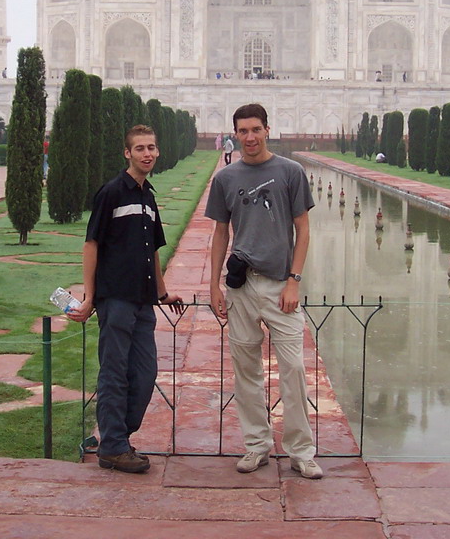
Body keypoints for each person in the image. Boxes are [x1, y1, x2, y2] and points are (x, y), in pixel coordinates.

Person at [205, 103, 323, 480]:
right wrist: (213, 286)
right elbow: (221, 233)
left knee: (294, 370)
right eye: (243, 131)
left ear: (267, 130)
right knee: (246, 372)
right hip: (241, 287)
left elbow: (303, 229)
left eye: (256, 129)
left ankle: (301, 452)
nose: (250, 137)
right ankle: (256, 445)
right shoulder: (227, 177)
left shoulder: (290, 172)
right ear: (235, 134)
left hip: (279, 287)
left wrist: (294, 280)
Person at [68, 124, 184, 473]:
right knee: (115, 373)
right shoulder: (112, 193)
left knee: (145, 373)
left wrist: (162, 292)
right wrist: (90, 298)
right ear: (127, 153)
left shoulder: (148, 196)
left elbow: (153, 251)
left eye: (152, 147)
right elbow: (92, 245)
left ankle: (117, 437)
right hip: (115, 298)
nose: (147, 153)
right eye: (140, 148)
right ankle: (114, 446)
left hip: (143, 301)